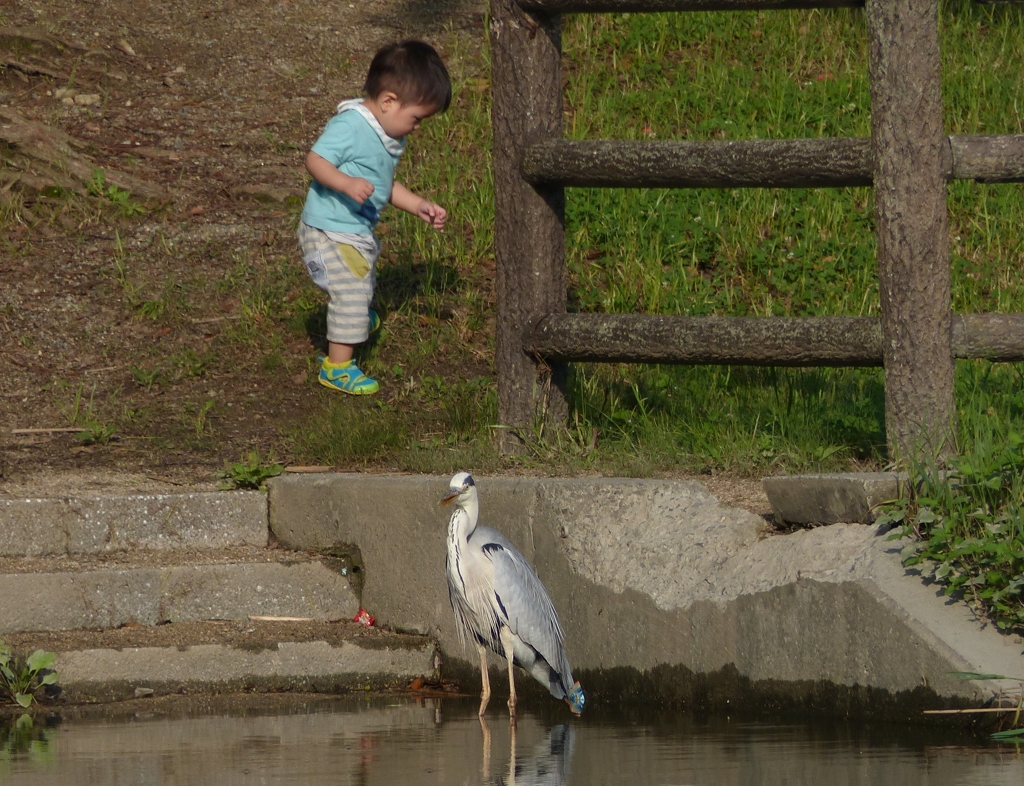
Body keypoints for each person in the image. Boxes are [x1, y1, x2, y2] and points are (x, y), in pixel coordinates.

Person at [298, 40, 451, 394]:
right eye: (416, 119)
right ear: (388, 102)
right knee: (352, 289)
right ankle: (337, 368)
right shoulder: (351, 126)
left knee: (361, 276)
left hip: (351, 229)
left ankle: (351, 317)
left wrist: (418, 205)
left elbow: (386, 184)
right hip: (327, 229)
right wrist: (345, 183)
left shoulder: (384, 132)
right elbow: (315, 160)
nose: (417, 128)